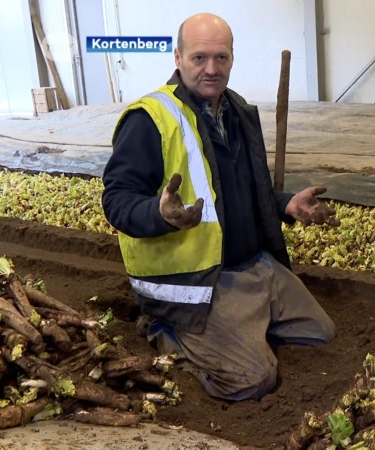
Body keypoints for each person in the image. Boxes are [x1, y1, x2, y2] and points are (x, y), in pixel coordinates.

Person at [100, 12, 340, 401]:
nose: (211, 69)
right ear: (177, 57)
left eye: (221, 58)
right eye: (199, 58)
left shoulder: (236, 111)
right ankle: (168, 331)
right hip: (198, 280)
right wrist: (159, 214)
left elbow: (244, 188)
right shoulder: (150, 119)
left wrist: (285, 205)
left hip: (253, 265)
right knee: (252, 380)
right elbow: (116, 200)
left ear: (232, 58)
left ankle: (242, 326)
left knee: (319, 333)